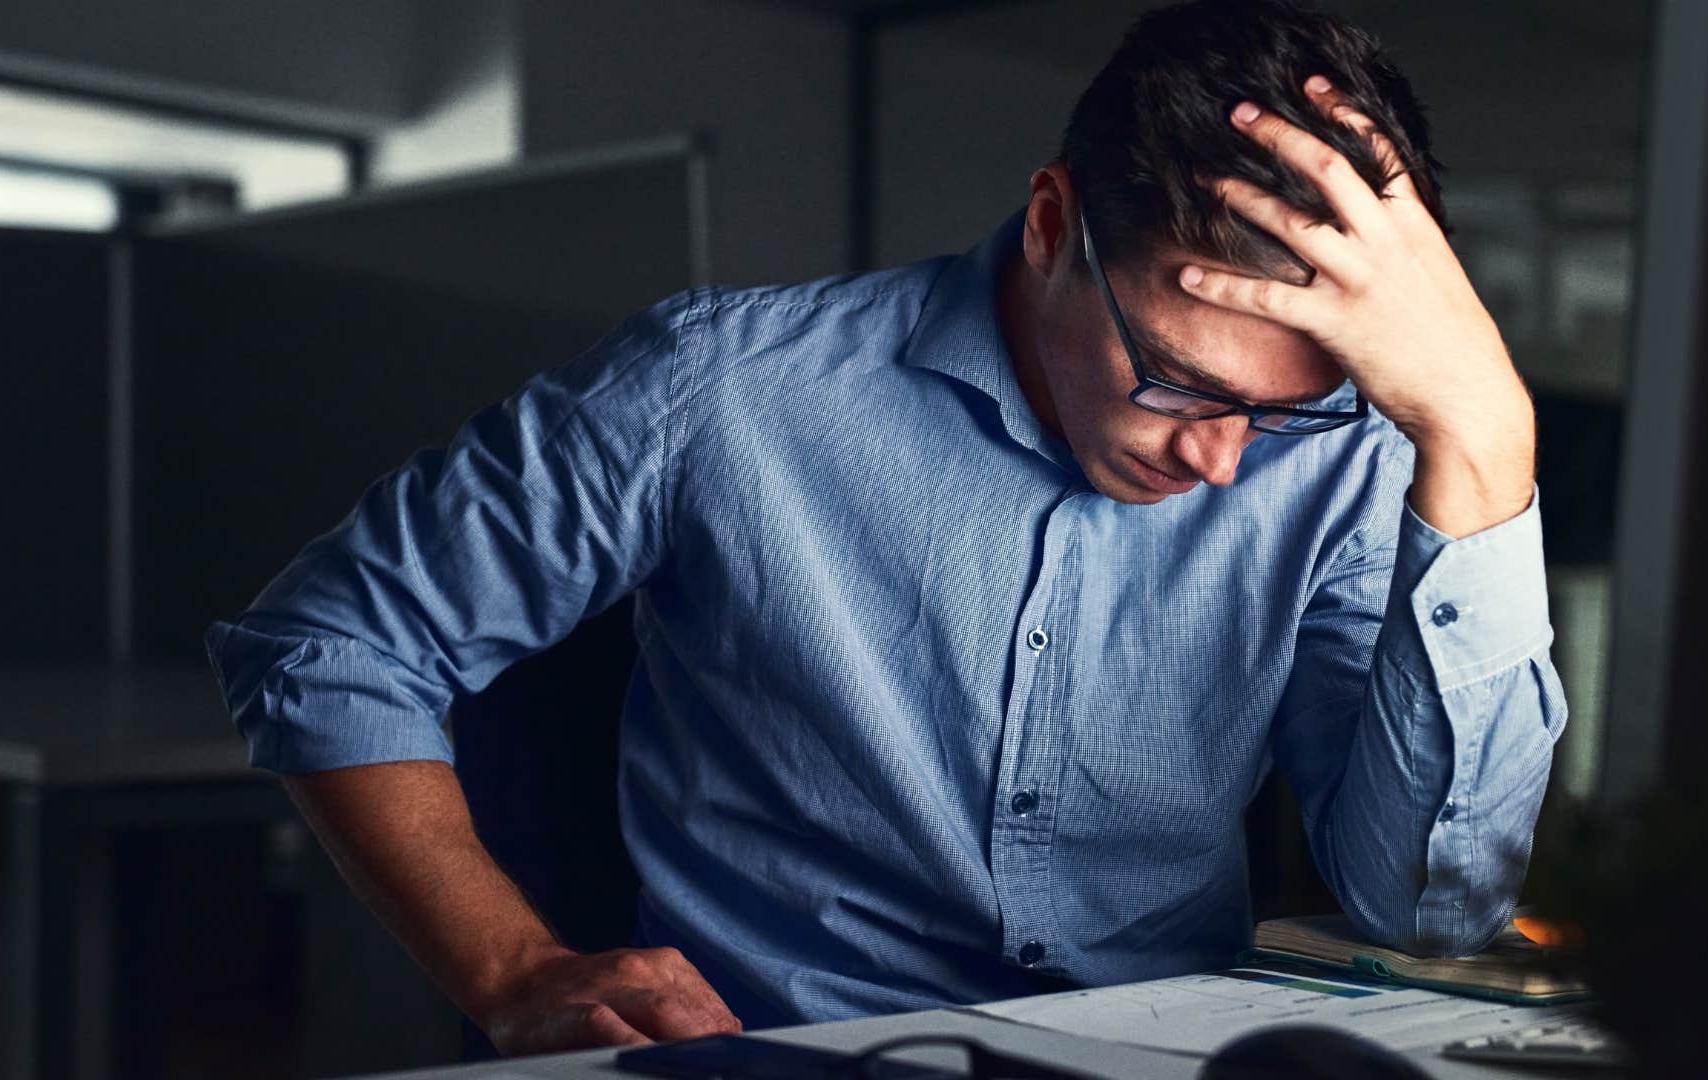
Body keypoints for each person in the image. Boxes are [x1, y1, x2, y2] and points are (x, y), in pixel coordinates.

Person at [205, 0, 1566, 1058]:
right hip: (778, 1052)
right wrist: (509, 968)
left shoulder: (1334, 462)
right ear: (1052, 226)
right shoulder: (721, 387)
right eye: (1181, 383)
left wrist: (1484, 438)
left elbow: (1431, 908)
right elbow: (330, 643)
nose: (1223, 462)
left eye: (1286, 412)